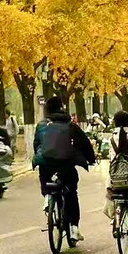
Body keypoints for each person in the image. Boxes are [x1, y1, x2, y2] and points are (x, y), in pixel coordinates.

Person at [33, 96, 97, 244]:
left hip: (46, 165)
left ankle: (47, 198)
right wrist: (91, 159)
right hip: (66, 165)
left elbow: (36, 145)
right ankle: (74, 228)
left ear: (47, 109)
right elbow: (84, 144)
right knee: (71, 192)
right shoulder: (70, 125)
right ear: (62, 107)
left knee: (45, 179)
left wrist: (41, 157)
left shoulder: (41, 125)